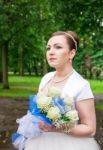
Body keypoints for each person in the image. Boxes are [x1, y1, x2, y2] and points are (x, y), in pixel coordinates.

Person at [24, 31, 100, 150]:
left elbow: (90, 129)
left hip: (69, 145)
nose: (51, 52)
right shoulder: (46, 78)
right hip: (39, 143)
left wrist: (56, 128)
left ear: (71, 53)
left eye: (58, 47)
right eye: (48, 48)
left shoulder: (81, 85)